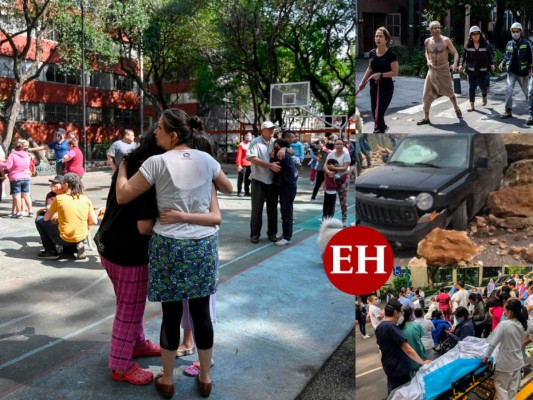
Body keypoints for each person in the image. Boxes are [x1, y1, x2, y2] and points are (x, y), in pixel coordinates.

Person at [115, 109, 233, 399]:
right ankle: (205, 378)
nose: (155, 133)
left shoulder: (157, 162)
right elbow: (228, 186)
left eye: (159, 128)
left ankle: (167, 379)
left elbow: (123, 195)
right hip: (203, 246)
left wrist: (121, 169)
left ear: (174, 134)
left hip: (169, 246)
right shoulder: (206, 159)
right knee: (201, 312)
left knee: (171, 313)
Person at [94, 127, 165, 386]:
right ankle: (120, 365)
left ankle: (137, 343)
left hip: (109, 244)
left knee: (128, 303)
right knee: (130, 309)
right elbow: (144, 227)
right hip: (128, 252)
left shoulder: (130, 162)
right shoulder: (147, 176)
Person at [35, 173, 97, 260]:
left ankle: (50, 251)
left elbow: (46, 218)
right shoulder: (85, 198)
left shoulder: (60, 198)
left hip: (65, 238)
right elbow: (94, 221)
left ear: (66, 184)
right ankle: (75, 245)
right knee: (67, 227)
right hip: (82, 236)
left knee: (39, 220)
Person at [375, 301, 431, 394]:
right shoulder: (392, 327)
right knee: (405, 392)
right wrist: (422, 362)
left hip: (388, 365)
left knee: (393, 390)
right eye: (401, 312)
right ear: (396, 313)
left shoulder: (380, 327)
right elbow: (407, 349)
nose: (402, 315)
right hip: (399, 367)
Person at [417, 21, 462, 125]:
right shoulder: (427, 41)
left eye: (438, 27)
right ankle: (426, 117)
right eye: (434, 28)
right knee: (426, 94)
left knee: (450, 92)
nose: (437, 29)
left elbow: (455, 53)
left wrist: (455, 63)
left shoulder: (446, 40)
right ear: (430, 30)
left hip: (443, 69)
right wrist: (428, 60)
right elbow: (427, 52)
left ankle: (456, 107)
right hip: (432, 69)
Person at [483, 298, 528, 400]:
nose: (504, 312)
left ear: (510, 312)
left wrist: (486, 357)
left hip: (505, 363)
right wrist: (525, 343)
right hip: (517, 361)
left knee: (501, 387)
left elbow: (492, 344)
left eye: (505, 310)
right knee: (512, 388)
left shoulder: (504, 324)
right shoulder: (525, 323)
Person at [247, 121, 283, 244]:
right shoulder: (255, 142)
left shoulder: (276, 142)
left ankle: (272, 234)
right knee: (256, 209)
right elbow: (252, 158)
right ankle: (255, 234)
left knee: (273, 209)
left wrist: (283, 148)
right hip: (258, 179)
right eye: (268, 129)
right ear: (262, 130)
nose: (271, 131)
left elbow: (290, 149)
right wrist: (269, 165)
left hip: (273, 181)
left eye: (273, 128)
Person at [357, 27, 398, 133]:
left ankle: (378, 132)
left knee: (379, 113)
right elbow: (370, 68)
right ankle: (382, 128)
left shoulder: (391, 54)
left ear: (386, 39)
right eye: (376, 36)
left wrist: (380, 74)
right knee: (375, 111)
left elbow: (395, 72)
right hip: (374, 87)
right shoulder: (372, 52)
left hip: (386, 88)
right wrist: (362, 83)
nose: (378, 38)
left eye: (381, 36)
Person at [499, 22, 533, 122]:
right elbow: (506, 56)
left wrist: (531, 69)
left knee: (529, 94)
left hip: (523, 74)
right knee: (508, 91)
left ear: (520, 32)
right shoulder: (509, 44)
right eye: (513, 32)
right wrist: (502, 62)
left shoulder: (526, 44)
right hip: (512, 73)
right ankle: (508, 110)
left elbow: (531, 59)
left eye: (517, 31)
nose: (515, 33)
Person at [458, 26, 495, 112]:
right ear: (471, 35)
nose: (475, 36)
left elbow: (490, 56)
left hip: (482, 70)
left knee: (483, 86)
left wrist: (492, 64)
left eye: (477, 34)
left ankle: (484, 95)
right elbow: (463, 56)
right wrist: (461, 65)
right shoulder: (468, 45)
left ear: (480, 34)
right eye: (473, 34)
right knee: (471, 87)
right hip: (471, 70)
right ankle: (472, 105)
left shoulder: (485, 44)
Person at [271, 138, 298, 246]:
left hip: (287, 187)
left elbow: (274, 168)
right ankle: (286, 234)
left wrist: (271, 158)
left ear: (278, 145)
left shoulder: (282, 156)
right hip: (286, 186)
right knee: (286, 212)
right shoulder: (285, 154)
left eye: (275, 144)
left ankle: (287, 237)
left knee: (286, 212)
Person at [0, 139, 32, 218]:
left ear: (14, 147)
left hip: (16, 177)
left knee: (17, 196)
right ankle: (30, 211)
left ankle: (18, 212)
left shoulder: (12, 155)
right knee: (26, 195)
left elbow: (8, 166)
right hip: (26, 177)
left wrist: (0, 163)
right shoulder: (27, 155)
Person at [323, 138, 351, 227]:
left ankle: (344, 219)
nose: (339, 145)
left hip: (342, 180)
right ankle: (327, 219)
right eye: (337, 144)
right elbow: (325, 165)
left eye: (341, 144)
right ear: (334, 145)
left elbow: (345, 168)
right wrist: (328, 172)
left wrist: (334, 169)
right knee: (329, 201)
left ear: (343, 145)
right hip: (331, 180)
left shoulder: (346, 155)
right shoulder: (330, 154)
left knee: (343, 201)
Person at [399, 307, 426, 376]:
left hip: (407, 358)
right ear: (411, 315)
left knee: (411, 380)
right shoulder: (416, 325)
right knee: (421, 376)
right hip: (419, 355)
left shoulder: (398, 328)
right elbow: (420, 336)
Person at [235, 132, 252, 197]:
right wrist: (238, 164)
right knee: (241, 178)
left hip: (250, 164)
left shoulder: (251, 144)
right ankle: (239, 191)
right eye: (247, 135)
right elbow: (239, 155)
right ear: (244, 136)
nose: (249, 137)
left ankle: (247, 191)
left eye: (250, 135)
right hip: (242, 164)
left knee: (248, 179)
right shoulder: (241, 145)